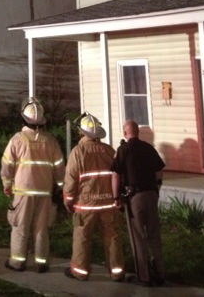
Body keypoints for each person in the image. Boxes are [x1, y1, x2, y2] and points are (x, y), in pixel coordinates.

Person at [0, 96, 64, 273]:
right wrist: (60, 186)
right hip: (44, 192)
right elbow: (59, 167)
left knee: (20, 227)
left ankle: (17, 262)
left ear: (24, 119)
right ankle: (41, 263)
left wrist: (6, 184)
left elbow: (7, 165)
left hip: (22, 192)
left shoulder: (17, 139)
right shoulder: (50, 141)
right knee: (41, 228)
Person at [62, 112, 125, 282]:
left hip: (85, 205)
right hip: (109, 204)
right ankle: (117, 272)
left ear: (82, 132)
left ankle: (80, 272)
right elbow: (118, 174)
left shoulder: (78, 152)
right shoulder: (109, 150)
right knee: (112, 237)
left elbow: (71, 180)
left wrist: (68, 201)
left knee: (82, 238)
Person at [111, 119, 166, 287]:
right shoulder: (149, 148)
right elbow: (159, 170)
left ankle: (144, 276)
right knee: (154, 235)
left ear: (125, 133)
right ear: (138, 132)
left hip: (134, 197)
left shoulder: (123, 150)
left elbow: (115, 175)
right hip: (151, 195)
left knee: (138, 237)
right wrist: (157, 188)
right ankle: (160, 273)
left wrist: (116, 198)